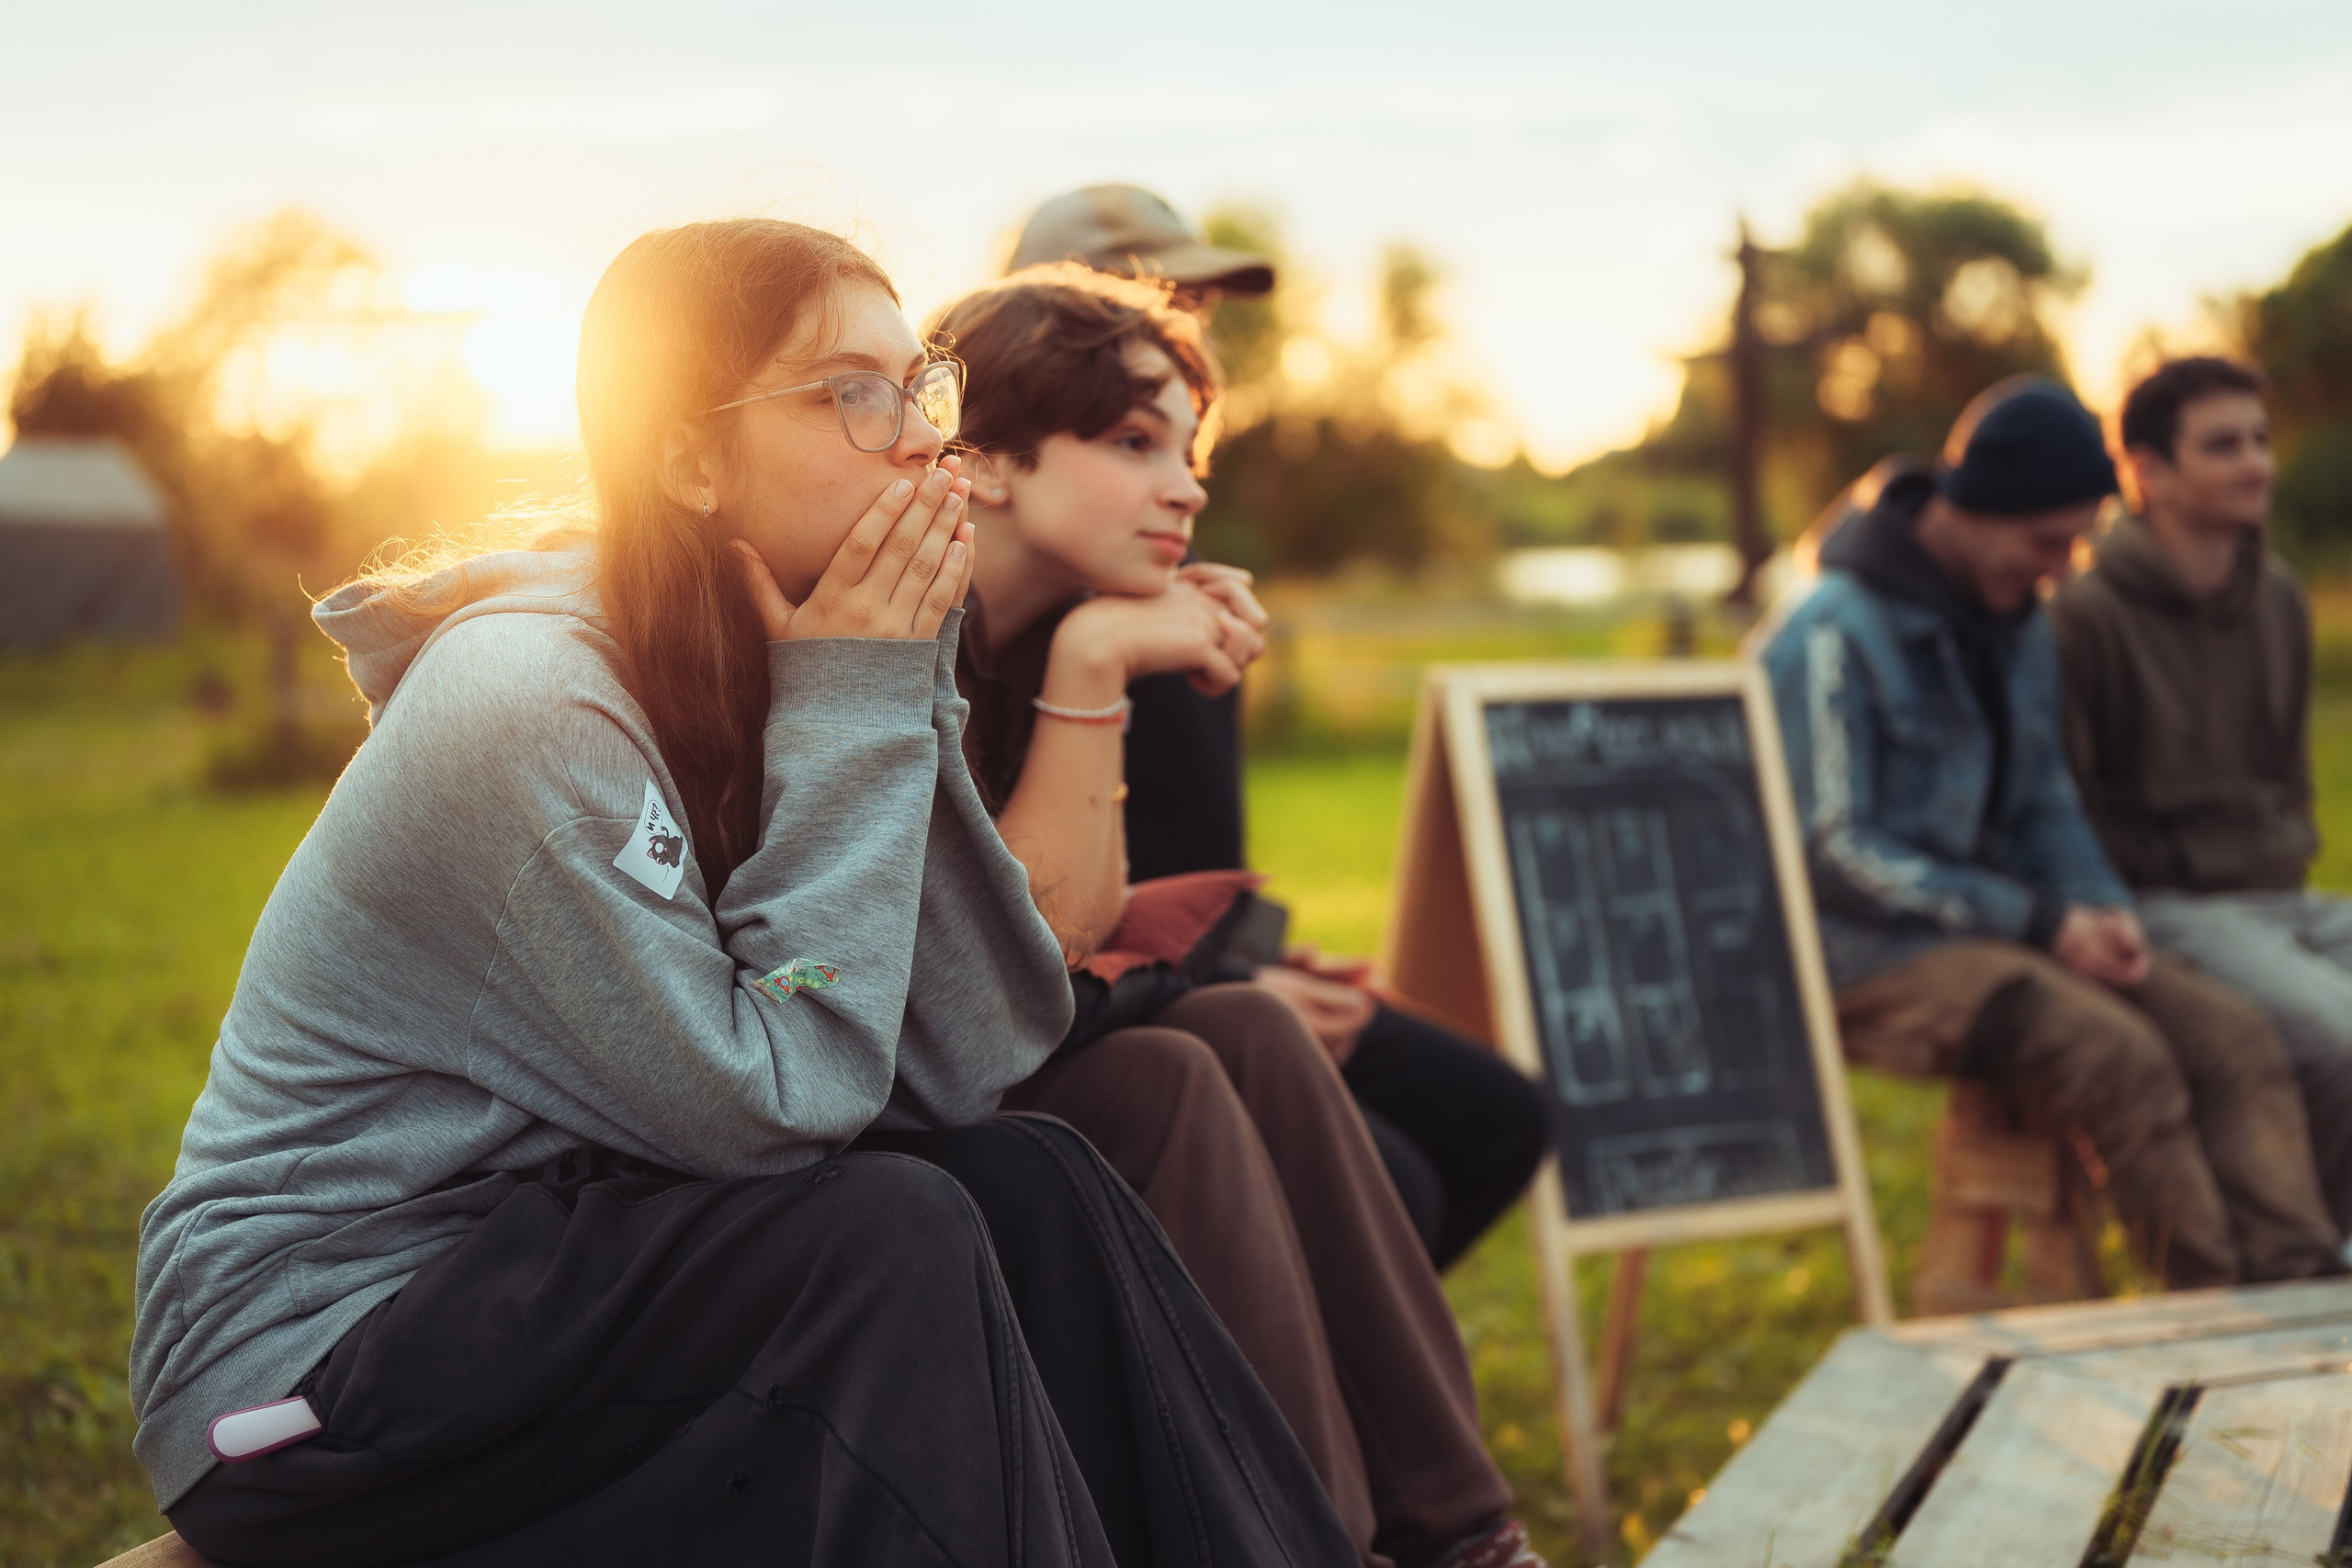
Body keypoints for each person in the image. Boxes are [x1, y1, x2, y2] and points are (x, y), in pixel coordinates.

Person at [130, 219, 1361, 1568]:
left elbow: (972, 1047)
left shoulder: (798, 648)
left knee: (1031, 1169)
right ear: (688, 457)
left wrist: (896, 702)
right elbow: (770, 1112)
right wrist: (856, 706)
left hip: (568, 1261)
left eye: (921, 384)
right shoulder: (527, 701)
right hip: (318, 1353)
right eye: (850, 392)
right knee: (887, 1230)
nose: (919, 439)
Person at [933, 265, 1542, 1568]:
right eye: (1136, 442)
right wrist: (1103, 659)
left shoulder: (1044, 629)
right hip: (863, 1108)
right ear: (982, 462)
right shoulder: (903, 633)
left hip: (990, 1065)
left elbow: (1073, 930)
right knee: (1184, 1061)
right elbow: (1022, 959)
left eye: (1190, 451)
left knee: (1243, 1034)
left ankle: (1462, 1534)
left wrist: (1112, 649)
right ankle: (1319, 1538)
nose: (1189, 486)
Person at [1006, 183, 1554, 1270]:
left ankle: (1313, 1365)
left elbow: (1190, 859)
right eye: (1150, 300)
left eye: (1195, 306)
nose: (1181, 329)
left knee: (1500, 1115)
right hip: (1099, 1013)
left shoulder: (1158, 586)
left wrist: (1263, 957)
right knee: (1393, 1180)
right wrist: (1238, 991)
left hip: (1189, 967)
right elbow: (1032, 932)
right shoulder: (1021, 611)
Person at [1759, 378, 2342, 1289]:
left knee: (2233, 1039)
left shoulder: (2017, 616)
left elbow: (2043, 799)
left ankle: (2301, 1288)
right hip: (1859, 950)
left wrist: (2096, 905)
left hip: (2000, 928)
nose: (2063, 567)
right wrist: (2037, 922)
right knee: (2117, 1055)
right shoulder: (1830, 631)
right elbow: (1830, 850)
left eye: (2075, 540)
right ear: (1969, 510)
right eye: (2046, 541)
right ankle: (2212, 1319)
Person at [2052, 355, 2352, 1234]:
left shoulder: (2282, 601)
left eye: (2258, 440)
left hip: (2282, 894)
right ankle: (2328, 1256)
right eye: (2222, 445)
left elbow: (2290, 777)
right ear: (2147, 471)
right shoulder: (2083, 615)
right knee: (2335, 1037)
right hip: (2168, 903)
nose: (2255, 462)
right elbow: (2070, 809)